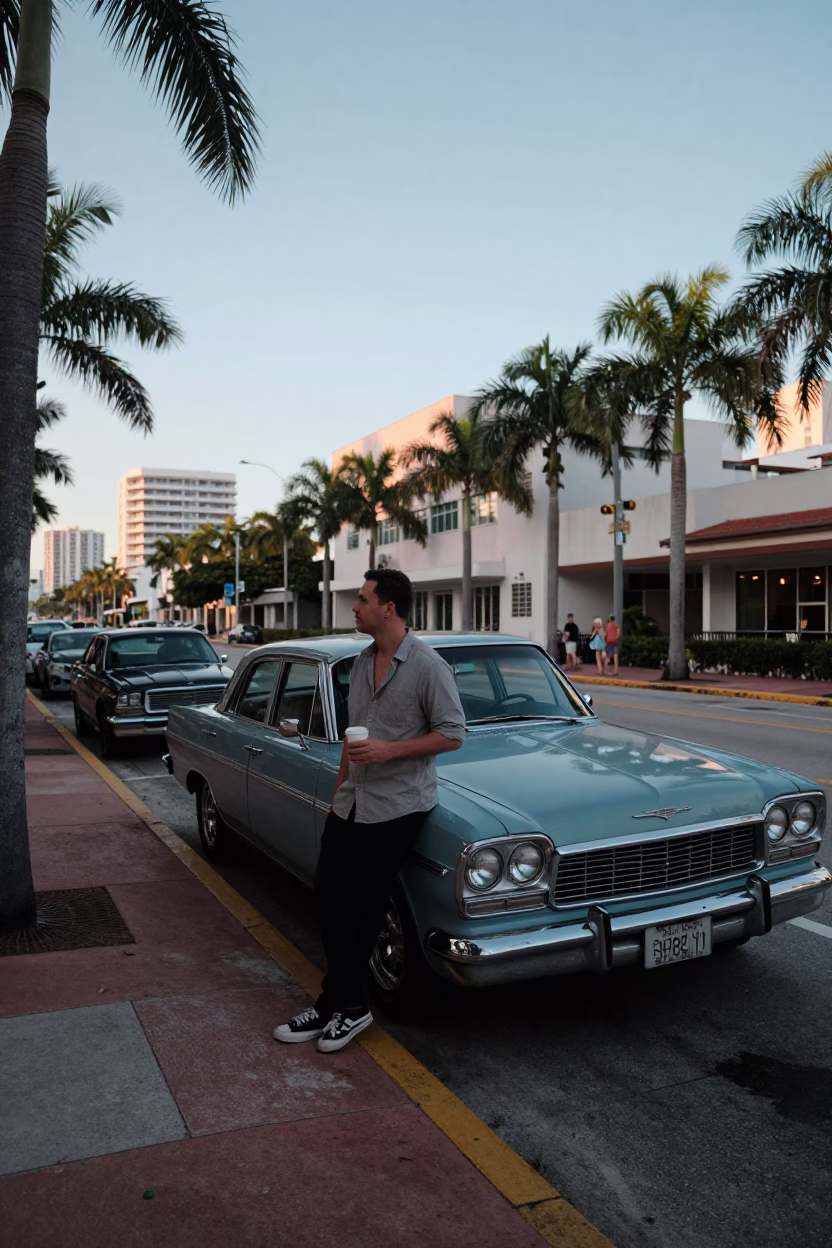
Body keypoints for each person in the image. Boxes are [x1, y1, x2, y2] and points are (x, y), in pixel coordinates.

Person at [273, 568, 466, 1052]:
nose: (354, 607)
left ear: (389, 608)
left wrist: (388, 752)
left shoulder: (427, 666)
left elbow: (453, 733)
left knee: (363, 908)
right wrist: (339, 796)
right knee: (328, 897)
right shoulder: (360, 663)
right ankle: (339, 1003)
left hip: (399, 806)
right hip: (353, 802)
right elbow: (352, 739)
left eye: (362, 600)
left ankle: (347, 1008)